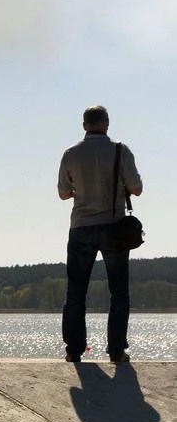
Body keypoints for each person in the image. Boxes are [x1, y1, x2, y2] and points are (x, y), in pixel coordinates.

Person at [58, 105, 143, 363]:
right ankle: (116, 351)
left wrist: (82, 192)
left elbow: (63, 193)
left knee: (76, 291)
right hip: (114, 226)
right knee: (118, 291)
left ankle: (74, 350)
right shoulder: (121, 151)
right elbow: (137, 189)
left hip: (81, 226)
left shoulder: (70, 154)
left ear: (84, 125)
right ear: (107, 123)